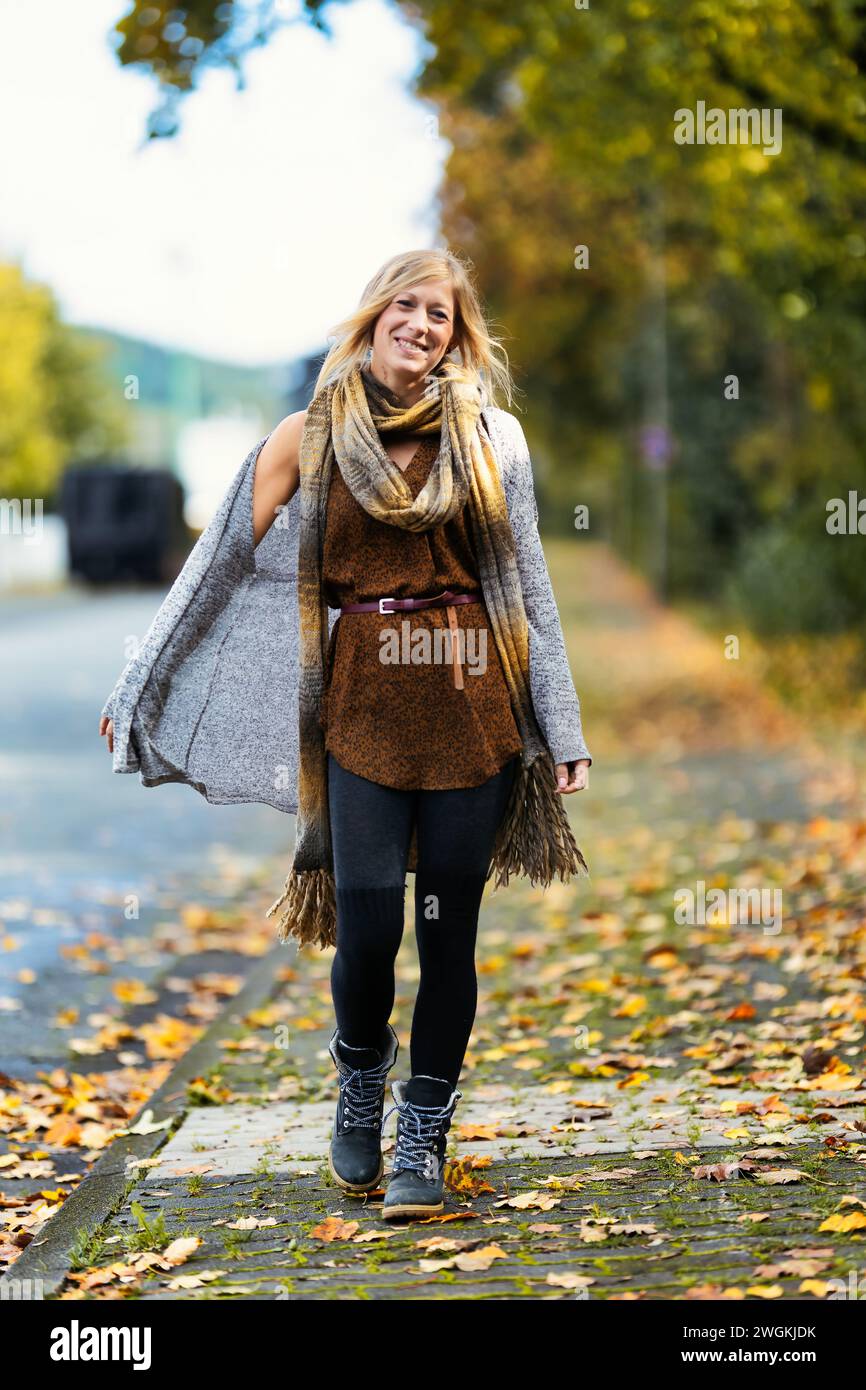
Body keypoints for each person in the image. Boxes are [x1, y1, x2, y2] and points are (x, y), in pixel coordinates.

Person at [100, 247, 592, 1221]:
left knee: (449, 942)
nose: (420, 325)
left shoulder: (495, 438)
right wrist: (140, 677)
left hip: (473, 715)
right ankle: (360, 1077)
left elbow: (527, 582)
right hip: (359, 714)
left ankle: (422, 1134)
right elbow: (214, 566)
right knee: (367, 931)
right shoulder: (308, 435)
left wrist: (560, 724)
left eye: (439, 314)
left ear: (458, 334)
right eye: (404, 306)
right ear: (370, 319)